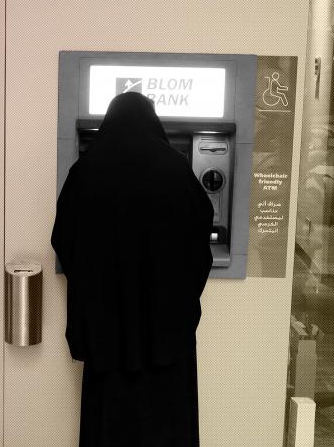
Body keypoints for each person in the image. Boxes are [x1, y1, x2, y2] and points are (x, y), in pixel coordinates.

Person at [51, 92, 213, 446]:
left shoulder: (86, 171)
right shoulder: (176, 169)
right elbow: (200, 247)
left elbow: (64, 240)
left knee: (108, 428)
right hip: (166, 341)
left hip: (108, 340)